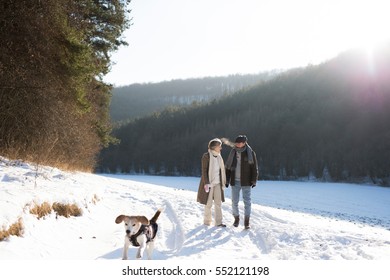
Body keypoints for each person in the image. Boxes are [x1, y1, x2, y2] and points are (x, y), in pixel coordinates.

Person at [225, 135, 258, 229]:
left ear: (244, 143)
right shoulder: (233, 152)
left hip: (246, 181)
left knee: (247, 202)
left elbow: (254, 168)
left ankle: (247, 222)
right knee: (234, 202)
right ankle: (236, 219)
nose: (237, 144)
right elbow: (228, 168)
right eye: (236, 142)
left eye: (240, 142)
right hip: (234, 181)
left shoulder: (250, 153)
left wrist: (253, 180)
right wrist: (227, 180)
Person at [197, 138, 227, 227]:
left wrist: (223, 182)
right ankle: (207, 222)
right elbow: (204, 170)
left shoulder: (219, 157)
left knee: (218, 203)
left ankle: (219, 222)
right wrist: (206, 183)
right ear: (214, 147)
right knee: (208, 203)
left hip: (217, 183)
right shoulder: (206, 156)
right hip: (209, 183)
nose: (221, 148)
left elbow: (221, 171)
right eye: (219, 146)